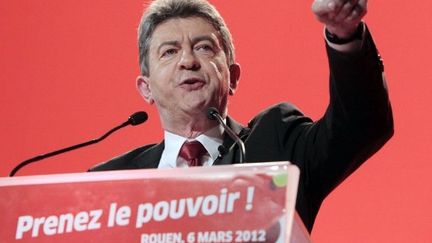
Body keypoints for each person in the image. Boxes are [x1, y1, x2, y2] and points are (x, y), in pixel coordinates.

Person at [90, 0, 394, 232]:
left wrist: (344, 35)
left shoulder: (277, 143)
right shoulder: (110, 184)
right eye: (169, 52)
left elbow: (361, 123)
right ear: (146, 89)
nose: (188, 61)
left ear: (232, 77)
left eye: (204, 47)